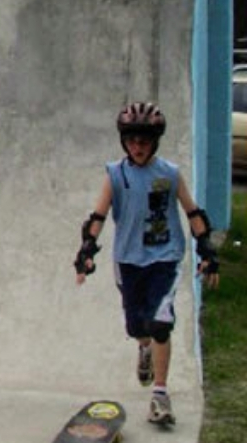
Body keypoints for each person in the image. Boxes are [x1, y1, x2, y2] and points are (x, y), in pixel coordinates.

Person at [75, 102, 220, 426]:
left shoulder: (169, 173)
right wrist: (87, 249)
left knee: (161, 324)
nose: (138, 147)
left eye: (144, 141)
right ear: (123, 141)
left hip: (164, 259)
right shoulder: (115, 174)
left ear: (155, 141)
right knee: (136, 326)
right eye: (132, 140)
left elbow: (192, 211)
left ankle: (160, 395)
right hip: (127, 260)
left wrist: (207, 250)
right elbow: (98, 216)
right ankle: (144, 348)